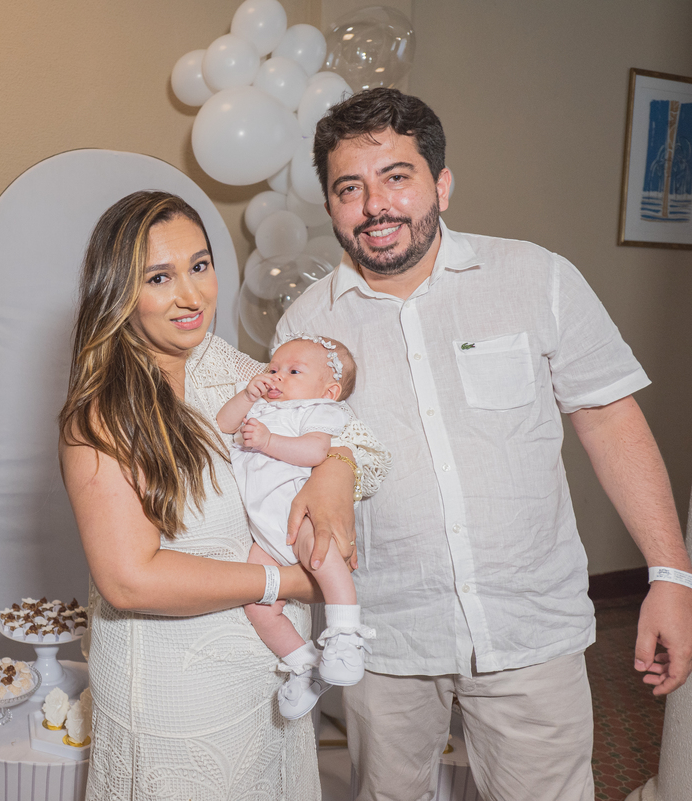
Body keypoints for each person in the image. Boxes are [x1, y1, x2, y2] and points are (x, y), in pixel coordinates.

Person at [278, 87, 692, 801]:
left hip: (529, 627)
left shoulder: (539, 278)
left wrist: (671, 576)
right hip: (386, 637)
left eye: (396, 177)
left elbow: (609, 420)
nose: (375, 204)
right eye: (351, 187)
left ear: (441, 183)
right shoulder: (305, 325)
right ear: (330, 205)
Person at [59, 191, 390, 801]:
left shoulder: (236, 372)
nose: (191, 296)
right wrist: (286, 584)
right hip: (174, 695)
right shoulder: (102, 413)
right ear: (120, 291)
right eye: (160, 277)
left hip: (273, 681)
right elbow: (131, 580)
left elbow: (362, 442)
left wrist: (336, 468)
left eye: (201, 265)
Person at [216, 333, 375, 721]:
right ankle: (305, 665)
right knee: (257, 603)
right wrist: (247, 396)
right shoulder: (262, 409)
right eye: (273, 368)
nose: (277, 376)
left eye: (293, 371)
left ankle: (344, 633)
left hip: (297, 515)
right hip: (264, 529)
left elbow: (316, 451)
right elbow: (223, 423)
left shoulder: (319, 410)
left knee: (323, 559)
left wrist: (268, 441)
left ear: (329, 389)